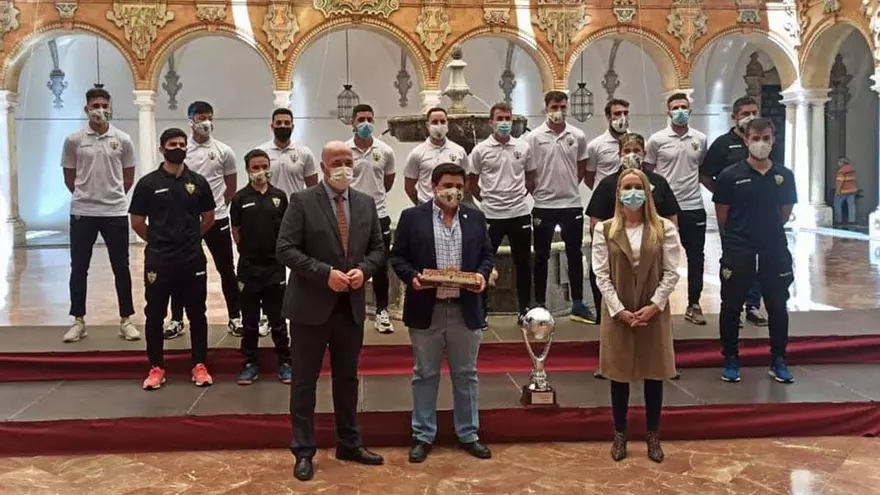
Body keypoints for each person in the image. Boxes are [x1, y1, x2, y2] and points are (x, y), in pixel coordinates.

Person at [277, 141, 386, 482]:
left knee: (347, 378)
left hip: (349, 307)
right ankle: (303, 450)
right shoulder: (302, 201)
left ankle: (349, 443)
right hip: (310, 307)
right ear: (323, 167)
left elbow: (378, 249)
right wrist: (325, 274)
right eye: (336, 161)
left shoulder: (366, 203)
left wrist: (364, 271)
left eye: (348, 161)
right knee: (304, 381)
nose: (344, 167)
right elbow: (285, 249)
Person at [390, 163, 494, 464]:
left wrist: (482, 275)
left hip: (465, 310)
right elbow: (398, 257)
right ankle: (423, 435)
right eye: (448, 185)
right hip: (427, 309)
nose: (454, 191)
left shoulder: (475, 218)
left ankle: (468, 433)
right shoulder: (412, 218)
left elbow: (487, 255)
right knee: (425, 373)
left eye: (459, 186)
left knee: (466, 374)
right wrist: (412, 277)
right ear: (434, 186)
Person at [591, 168, 681, 463]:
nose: (632, 193)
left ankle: (653, 434)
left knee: (654, 373)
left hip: (653, 309)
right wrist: (618, 310)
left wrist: (654, 305)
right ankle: (620, 434)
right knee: (619, 374)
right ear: (618, 193)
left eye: (637, 187)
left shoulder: (663, 228)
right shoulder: (605, 229)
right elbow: (601, 274)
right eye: (627, 187)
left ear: (647, 192)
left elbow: (671, 272)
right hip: (618, 310)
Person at [129, 128, 216, 390]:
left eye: (181, 144)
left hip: (192, 258)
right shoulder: (147, 184)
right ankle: (156, 367)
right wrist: (159, 241)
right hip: (159, 260)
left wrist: (189, 238)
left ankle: (199, 365)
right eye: (172, 144)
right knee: (155, 313)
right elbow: (137, 222)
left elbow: (208, 218)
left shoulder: (198, 182)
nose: (178, 148)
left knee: (197, 313)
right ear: (162, 149)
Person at [713, 118, 796, 384]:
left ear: (773, 140)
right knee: (731, 305)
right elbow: (723, 216)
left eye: (766, 138)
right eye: (756, 138)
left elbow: (784, 214)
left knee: (777, 305)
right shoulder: (730, 176)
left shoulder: (784, 176)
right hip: (739, 248)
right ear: (746, 140)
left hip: (773, 248)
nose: (761, 143)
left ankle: (778, 359)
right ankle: (730, 359)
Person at [61, 85, 139, 343]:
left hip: (115, 211)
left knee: (121, 267)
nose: (100, 110)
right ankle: (78, 320)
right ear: (86, 109)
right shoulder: (74, 140)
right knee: (79, 268)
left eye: (105, 106)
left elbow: (128, 176)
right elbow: (69, 177)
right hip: (83, 211)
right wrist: (86, 195)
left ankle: (126, 320)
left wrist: (112, 197)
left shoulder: (123, 139)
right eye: (95, 106)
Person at [700, 95, 781, 327]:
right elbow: (705, 175)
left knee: (759, 261)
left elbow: (776, 173)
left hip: (762, 214)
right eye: (745, 113)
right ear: (734, 117)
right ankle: (732, 308)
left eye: (754, 112)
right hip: (734, 214)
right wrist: (725, 194)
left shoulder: (767, 143)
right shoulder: (722, 144)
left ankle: (753, 305)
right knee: (734, 262)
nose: (750, 116)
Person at [164, 101, 241, 340]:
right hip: (186, 223)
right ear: (191, 121)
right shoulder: (182, 151)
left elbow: (231, 185)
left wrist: (216, 208)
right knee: (179, 270)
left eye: (209, 117)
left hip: (217, 219)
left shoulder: (224, 151)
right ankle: (177, 319)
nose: (206, 122)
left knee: (226, 269)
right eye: (200, 118)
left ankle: (235, 317)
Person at [586, 132, 679, 325]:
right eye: (627, 150)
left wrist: (655, 305)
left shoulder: (659, 182)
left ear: (644, 153)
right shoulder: (607, 184)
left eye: (636, 150)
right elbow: (596, 219)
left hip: (652, 259)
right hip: (617, 258)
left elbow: (671, 215)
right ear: (619, 153)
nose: (632, 154)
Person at [528, 91, 595, 323]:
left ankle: (578, 303)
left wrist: (568, 186)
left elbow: (581, 166)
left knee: (575, 255)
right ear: (546, 107)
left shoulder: (577, 135)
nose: (559, 111)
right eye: (555, 107)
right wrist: (540, 191)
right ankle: (539, 304)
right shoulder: (534, 137)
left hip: (571, 205)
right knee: (541, 256)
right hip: (543, 205)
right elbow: (529, 170)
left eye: (563, 107)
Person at [644, 93, 708, 325]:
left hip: (693, 206)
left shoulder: (700, 139)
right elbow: (648, 173)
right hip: (663, 208)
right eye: (675, 107)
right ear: (668, 111)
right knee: (656, 257)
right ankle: (654, 306)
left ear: (689, 111)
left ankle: (694, 304)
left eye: (683, 107)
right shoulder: (656, 140)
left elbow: (701, 168)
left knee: (696, 257)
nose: (680, 111)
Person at [468, 102, 535, 323]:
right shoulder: (480, 150)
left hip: (519, 213)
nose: (504, 123)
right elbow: (472, 182)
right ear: (491, 122)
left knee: (523, 263)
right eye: (500, 119)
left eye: (507, 119)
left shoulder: (523, 147)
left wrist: (520, 197)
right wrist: (486, 200)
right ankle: (481, 312)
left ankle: (525, 310)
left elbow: (531, 178)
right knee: (483, 263)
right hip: (491, 215)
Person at [230, 149, 292, 385]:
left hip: (274, 268)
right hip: (248, 268)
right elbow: (236, 231)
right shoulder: (240, 198)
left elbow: (286, 230)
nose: (260, 171)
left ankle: (285, 362)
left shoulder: (280, 197)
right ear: (247, 170)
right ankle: (249, 363)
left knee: (278, 318)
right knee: (250, 319)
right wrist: (247, 251)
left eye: (264, 166)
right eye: (255, 167)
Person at [346, 103, 397, 334]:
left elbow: (387, 182)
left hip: (379, 215)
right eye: (361, 119)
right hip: (351, 216)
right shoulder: (344, 150)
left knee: (380, 266)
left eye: (369, 119)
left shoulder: (385, 150)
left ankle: (381, 312)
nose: (366, 123)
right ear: (352, 123)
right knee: (349, 263)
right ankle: (349, 311)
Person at [403, 107, 469, 205]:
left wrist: (457, 199)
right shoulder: (417, 153)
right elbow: (409, 185)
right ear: (427, 125)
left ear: (447, 123)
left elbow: (466, 180)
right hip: (426, 204)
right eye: (434, 122)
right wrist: (421, 205)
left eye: (442, 121)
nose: (439, 125)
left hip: (452, 205)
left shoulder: (459, 151)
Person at [258, 107, 319, 198]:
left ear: (292, 127)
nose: (283, 126)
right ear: (272, 126)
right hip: (268, 205)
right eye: (278, 123)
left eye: (287, 123)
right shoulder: (260, 152)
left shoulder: (305, 153)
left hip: (296, 205)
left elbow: (313, 189)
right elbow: (254, 185)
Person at [585, 98, 631, 189]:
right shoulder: (595, 146)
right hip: (605, 194)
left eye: (625, 113)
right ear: (608, 117)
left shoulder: (640, 143)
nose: (623, 117)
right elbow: (588, 178)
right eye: (617, 113)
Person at [833, 157, 857, 225]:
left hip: (843, 191)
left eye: (839, 162)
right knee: (851, 206)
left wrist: (837, 191)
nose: (838, 163)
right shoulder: (852, 169)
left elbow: (840, 181)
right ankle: (852, 221)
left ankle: (839, 220)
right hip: (851, 190)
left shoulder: (842, 171)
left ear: (842, 163)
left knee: (837, 205)